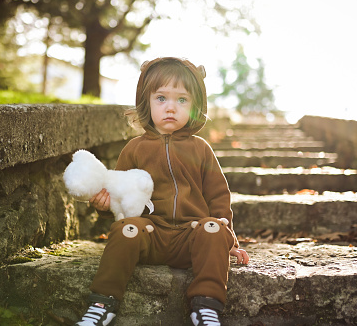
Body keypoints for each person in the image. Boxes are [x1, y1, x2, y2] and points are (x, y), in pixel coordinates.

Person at [75, 57, 250, 326]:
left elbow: (218, 195)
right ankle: (102, 304)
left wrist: (230, 240)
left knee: (214, 228)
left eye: (182, 100)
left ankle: (206, 307)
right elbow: (119, 193)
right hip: (150, 235)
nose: (171, 107)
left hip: (191, 238)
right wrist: (103, 204)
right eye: (161, 98)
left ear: (195, 107)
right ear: (147, 102)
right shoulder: (134, 149)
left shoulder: (201, 148)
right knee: (126, 230)